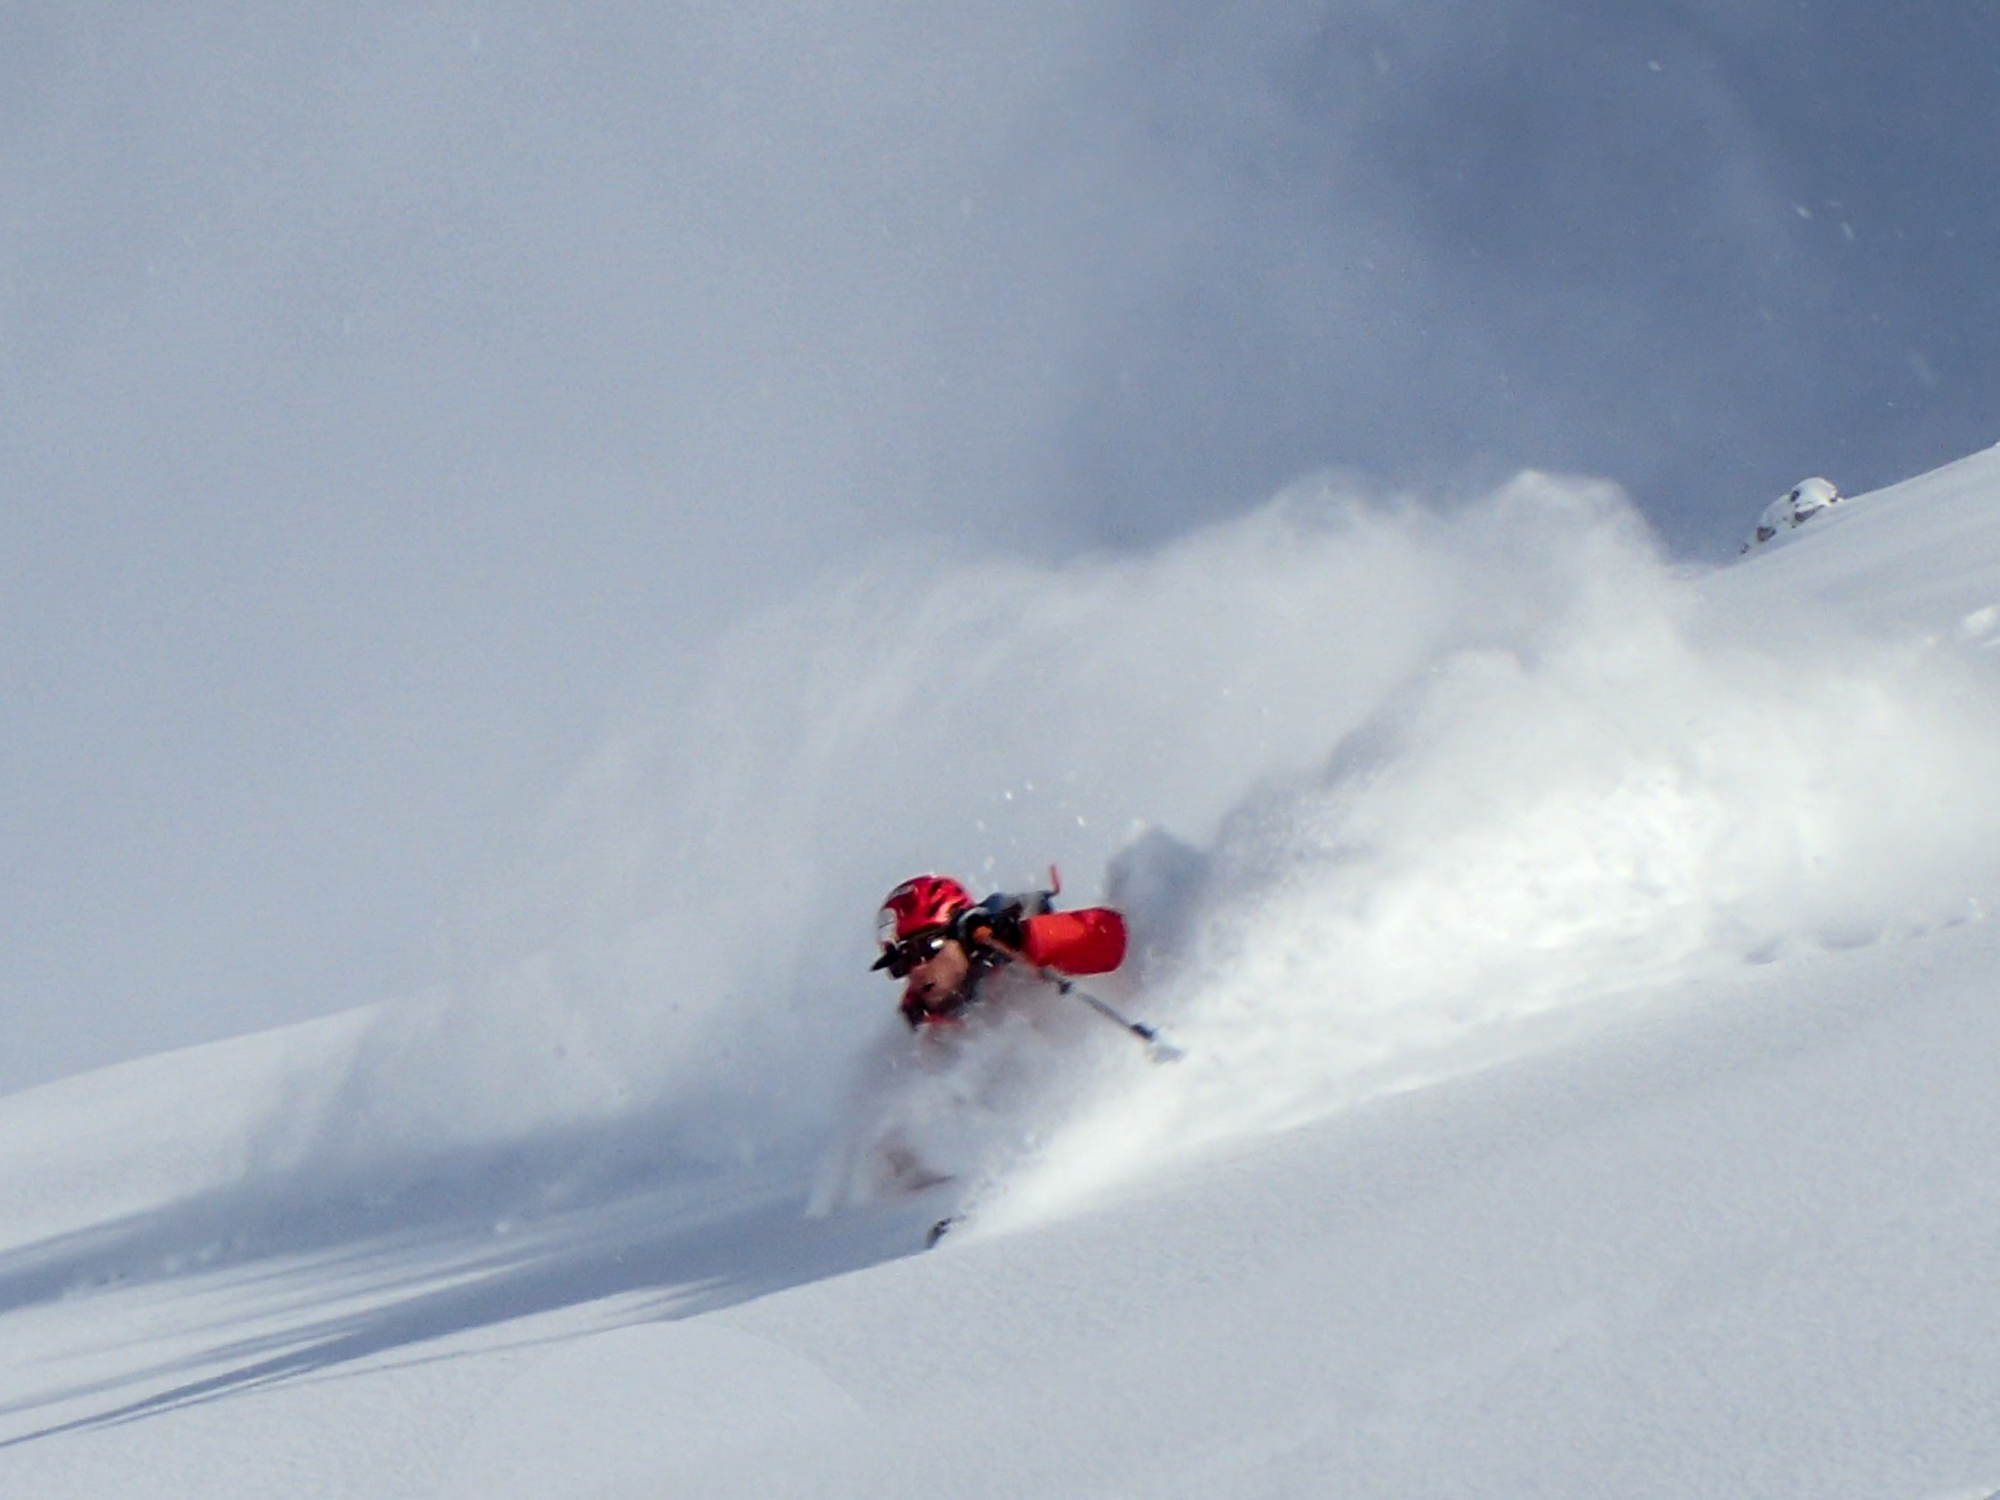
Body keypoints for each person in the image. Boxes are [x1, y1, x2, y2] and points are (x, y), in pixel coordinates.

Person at [871, 873, 1127, 1029]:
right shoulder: (922, 1023)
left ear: (962, 934)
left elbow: (1111, 936)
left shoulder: (1013, 954)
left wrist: (1023, 937)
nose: (916, 970)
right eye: (902, 964)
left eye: (926, 949)